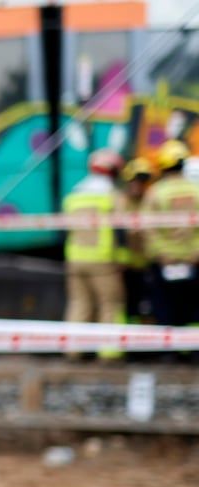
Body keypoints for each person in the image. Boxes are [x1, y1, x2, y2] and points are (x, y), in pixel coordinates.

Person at [62, 150, 126, 358]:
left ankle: (73, 351)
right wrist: (124, 256)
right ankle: (109, 353)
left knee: (79, 303)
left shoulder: (74, 196)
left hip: (75, 258)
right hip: (103, 260)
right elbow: (122, 228)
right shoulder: (112, 196)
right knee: (110, 305)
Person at [142, 139, 199, 328]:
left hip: (165, 259)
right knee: (192, 308)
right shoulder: (196, 190)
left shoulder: (155, 192)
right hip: (193, 258)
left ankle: (168, 345)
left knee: (165, 308)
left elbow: (148, 227)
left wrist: (161, 253)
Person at [116, 157, 154, 322]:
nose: (139, 185)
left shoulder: (149, 200)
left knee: (150, 307)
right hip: (126, 265)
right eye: (135, 181)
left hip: (148, 263)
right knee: (128, 307)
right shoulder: (120, 202)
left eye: (143, 181)